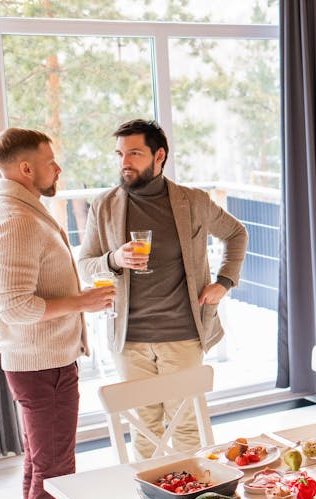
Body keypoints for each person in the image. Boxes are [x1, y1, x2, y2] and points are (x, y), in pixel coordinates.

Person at [0, 128, 116, 499]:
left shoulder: (20, 212)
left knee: (39, 467)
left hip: (40, 363)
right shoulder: (16, 222)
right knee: (54, 473)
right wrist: (82, 301)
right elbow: (16, 306)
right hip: (43, 367)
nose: (57, 168)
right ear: (24, 169)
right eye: (49, 161)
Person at [78, 119, 247, 458]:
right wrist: (114, 259)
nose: (125, 162)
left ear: (159, 156)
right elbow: (85, 264)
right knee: (143, 424)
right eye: (120, 154)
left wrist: (224, 283)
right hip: (129, 338)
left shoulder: (193, 201)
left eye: (135, 153)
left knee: (186, 423)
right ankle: (152, 498)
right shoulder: (105, 205)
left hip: (183, 332)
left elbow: (235, 233)